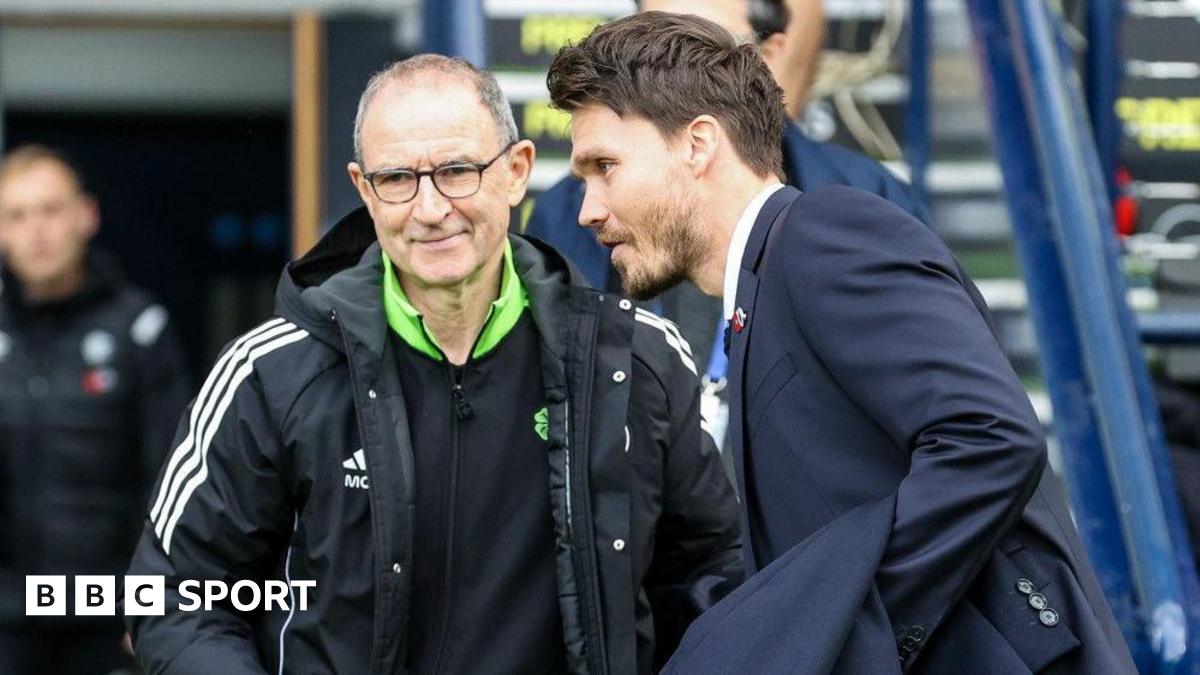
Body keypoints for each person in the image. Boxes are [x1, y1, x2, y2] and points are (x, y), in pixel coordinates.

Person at [548, 12, 1136, 674]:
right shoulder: (764, 286)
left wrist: (839, 632)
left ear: (698, 144)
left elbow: (991, 439)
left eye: (605, 167)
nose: (587, 209)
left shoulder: (823, 233)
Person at [126, 54, 740, 674]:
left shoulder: (637, 360)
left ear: (517, 171)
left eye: (456, 171)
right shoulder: (270, 374)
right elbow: (172, 596)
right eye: (396, 179)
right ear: (364, 190)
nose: (429, 208)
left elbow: (718, 579)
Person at [525, 0, 931, 460]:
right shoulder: (564, 213)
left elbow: (958, 433)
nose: (666, 67)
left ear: (768, 58)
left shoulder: (872, 204)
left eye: (700, 48)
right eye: (651, 42)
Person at [0, 145, 191, 674]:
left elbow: (172, 478)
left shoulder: (140, 329)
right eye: (17, 215)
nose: (36, 230)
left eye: (49, 210)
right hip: (7, 616)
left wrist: (153, 600)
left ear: (86, 215)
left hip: (106, 615)